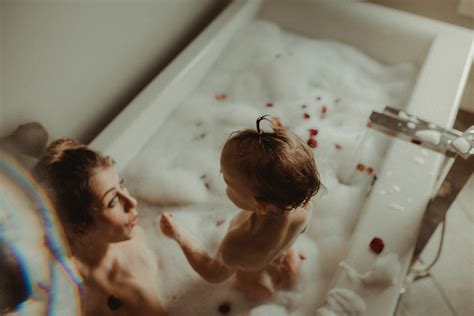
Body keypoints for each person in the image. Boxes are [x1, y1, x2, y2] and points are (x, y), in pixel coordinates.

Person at [159, 116, 321, 301]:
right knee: (277, 251)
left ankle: (251, 286)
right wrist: (277, 144)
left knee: (250, 283)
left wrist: (179, 236)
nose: (223, 181)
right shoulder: (303, 207)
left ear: (261, 205)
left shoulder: (238, 244)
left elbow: (213, 274)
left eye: (227, 181)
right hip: (279, 246)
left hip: (251, 264)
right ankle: (284, 261)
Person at [33, 139, 166, 315]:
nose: (132, 202)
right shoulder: (59, 286)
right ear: (80, 228)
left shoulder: (133, 281)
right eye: (113, 201)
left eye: (121, 184)